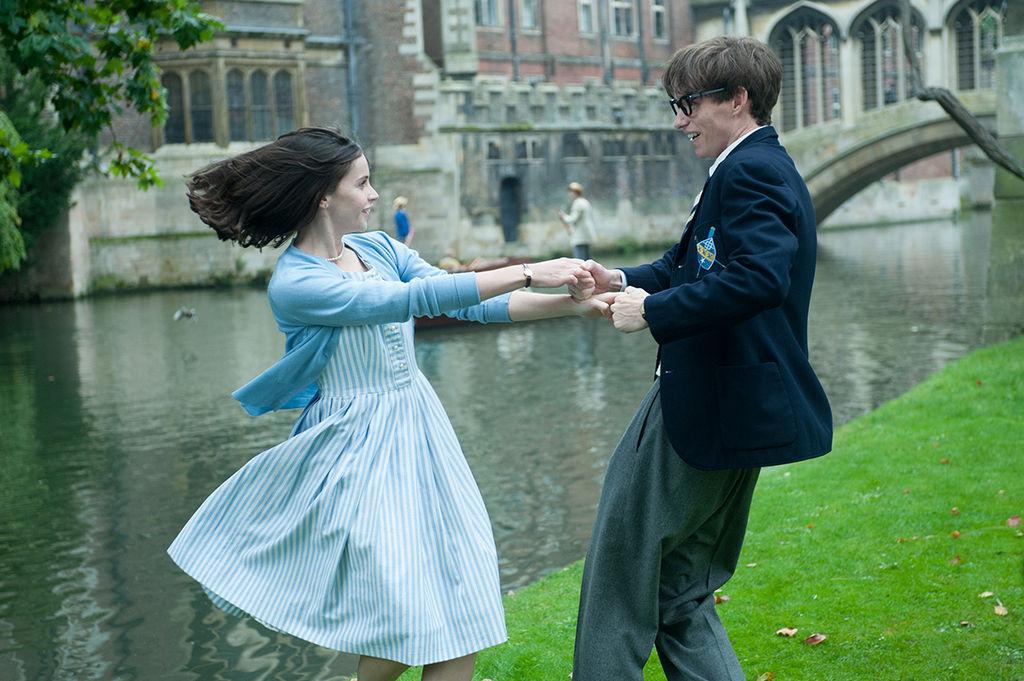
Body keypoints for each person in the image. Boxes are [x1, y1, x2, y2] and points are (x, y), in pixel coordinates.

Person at [167, 127, 603, 681]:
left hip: (419, 427)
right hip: (354, 449)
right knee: (401, 619)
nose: (374, 194)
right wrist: (529, 269)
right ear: (323, 196)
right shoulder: (297, 283)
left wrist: (571, 306)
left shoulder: (377, 248)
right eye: (362, 183)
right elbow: (412, 299)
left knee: (463, 605)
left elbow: (465, 303)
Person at [568, 36, 833, 681]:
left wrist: (653, 313)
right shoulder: (747, 166)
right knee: (680, 592)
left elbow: (759, 278)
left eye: (687, 104)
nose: (679, 120)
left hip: (708, 403)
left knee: (619, 569)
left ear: (737, 99)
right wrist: (619, 280)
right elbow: (691, 265)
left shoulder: (751, 171)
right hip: (733, 403)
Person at [557, 182, 598, 260]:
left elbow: (573, 219)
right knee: (588, 260)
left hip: (580, 236)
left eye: (571, 192)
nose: (569, 194)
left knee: (579, 260)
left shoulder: (578, 203)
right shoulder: (585, 202)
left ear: (576, 193)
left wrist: (563, 216)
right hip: (585, 235)